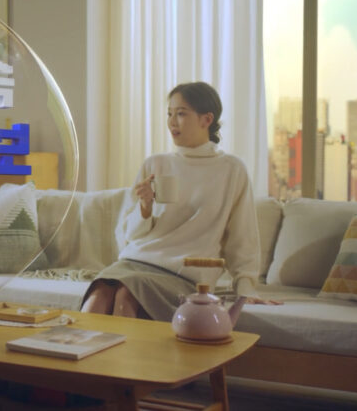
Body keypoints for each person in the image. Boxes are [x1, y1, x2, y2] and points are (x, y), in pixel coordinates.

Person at [81, 81, 279, 321]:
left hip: (185, 276)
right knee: (99, 294)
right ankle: (75, 343)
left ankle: (120, 347)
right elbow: (127, 235)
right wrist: (144, 208)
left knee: (126, 294)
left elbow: (242, 236)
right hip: (135, 261)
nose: (172, 122)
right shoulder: (155, 164)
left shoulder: (231, 169)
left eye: (181, 114)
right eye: (169, 114)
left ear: (207, 119)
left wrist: (245, 288)